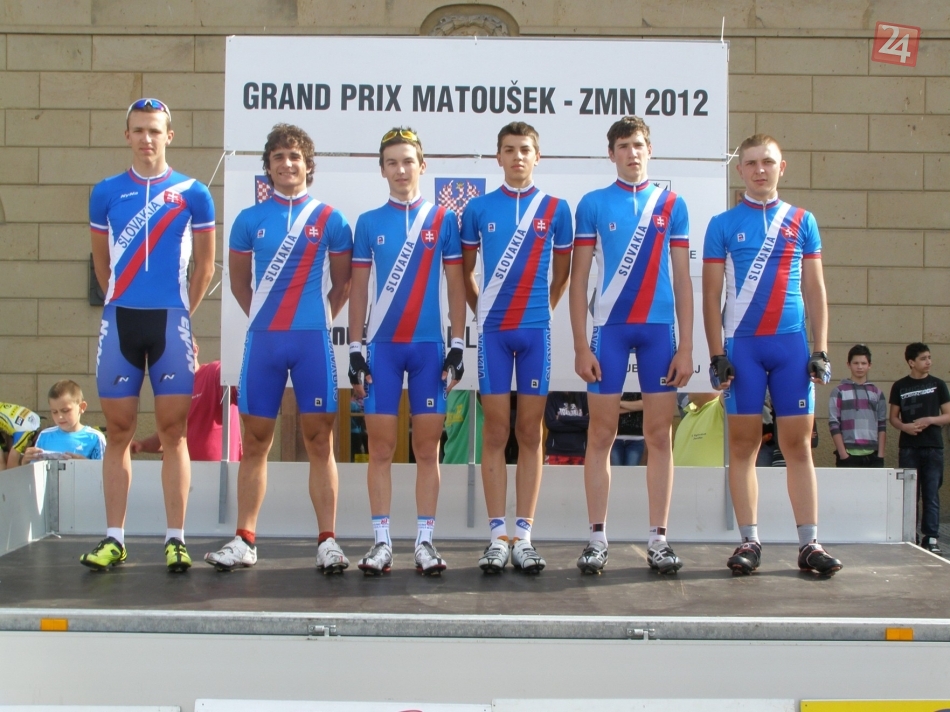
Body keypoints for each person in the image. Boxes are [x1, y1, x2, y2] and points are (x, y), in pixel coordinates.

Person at [205, 123, 352, 574]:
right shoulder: (249, 219)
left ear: (308, 165)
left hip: (311, 341)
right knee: (254, 442)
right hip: (264, 342)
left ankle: (328, 541)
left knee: (320, 440)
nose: (287, 164)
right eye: (278, 158)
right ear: (267, 167)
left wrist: (314, 319)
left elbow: (342, 284)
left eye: (295, 157)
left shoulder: (330, 219)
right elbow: (238, 284)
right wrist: (268, 318)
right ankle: (245, 540)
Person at [702, 133, 842, 576]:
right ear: (739, 170)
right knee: (743, 446)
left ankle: (809, 544)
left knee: (798, 445)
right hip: (742, 349)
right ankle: (749, 541)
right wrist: (716, 354)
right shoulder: (722, 224)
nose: (759, 170)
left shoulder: (802, 220)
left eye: (767, 162)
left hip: (791, 348)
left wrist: (820, 349)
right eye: (751, 163)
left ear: (782, 167)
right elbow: (710, 296)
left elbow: (816, 290)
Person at [86, 98, 215, 572]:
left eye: (155, 131)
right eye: (138, 130)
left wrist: (182, 316)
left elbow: (205, 267)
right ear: (127, 136)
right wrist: (118, 301)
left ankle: (175, 539)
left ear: (169, 136)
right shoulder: (105, 192)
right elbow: (102, 265)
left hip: (170, 321)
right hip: (120, 319)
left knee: (172, 433)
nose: (147, 138)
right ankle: (114, 538)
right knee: (119, 431)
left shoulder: (194, 192)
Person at [570, 116, 693, 576]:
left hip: (659, 330)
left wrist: (687, 347)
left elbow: (682, 279)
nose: (632, 153)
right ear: (611, 154)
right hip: (611, 330)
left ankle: (658, 539)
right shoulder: (593, 203)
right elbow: (579, 280)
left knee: (658, 436)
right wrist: (580, 346)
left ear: (650, 149)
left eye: (638, 144)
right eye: (623, 146)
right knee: (600, 435)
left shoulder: (672, 204)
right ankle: (596, 539)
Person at [348, 127, 466, 576]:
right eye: (392, 162)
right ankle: (381, 543)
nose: (401, 169)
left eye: (408, 161)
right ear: (382, 169)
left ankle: (424, 543)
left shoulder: (443, 220)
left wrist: (457, 344)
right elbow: (359, 290)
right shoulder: (368, 222)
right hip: (383, 348)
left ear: (422, 165)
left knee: (427, 450)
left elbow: (456, 285)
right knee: (380, 449)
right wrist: (355, 347)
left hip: (428, 349)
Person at [461, 121, 573, 574]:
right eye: (509, 150)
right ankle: (496, 537)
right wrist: (484, 311)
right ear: (499, 157)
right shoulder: (478, 208)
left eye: (525, 149)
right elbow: (464, 272)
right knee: (494, 431)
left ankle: (523, 536)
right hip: (493, 333)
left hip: (535, 333)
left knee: (530, 432)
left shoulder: (556, 209)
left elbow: (562, 275)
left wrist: (540, 311)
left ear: (537, 156)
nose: (518, 157)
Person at [131, 340, 243, 462]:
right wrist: (142, 445)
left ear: (195, 350)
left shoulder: (214, 372)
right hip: (177, 470)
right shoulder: (173, 389)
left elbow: (240, 393)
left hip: (217, 471)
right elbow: (169, 437)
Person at [889, 342, 950, 555]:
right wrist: (904, 427)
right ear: (911, 362)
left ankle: (931, 537)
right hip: (909, 447)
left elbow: (948, 415)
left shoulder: (938, 385)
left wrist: (930, 420)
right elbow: (893, 417)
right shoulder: (900, 386)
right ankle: (910, 535)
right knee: (909, 494)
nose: (928, 362)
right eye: (923, 358)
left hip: (933, 447)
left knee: (931, 494)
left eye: (929, 357)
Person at [828, 344, 886, 468]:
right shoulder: (839, 391)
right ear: (848, 364)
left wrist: (880, 455)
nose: (860, 367)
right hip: (848, 453)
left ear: (869, 365)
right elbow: (834, 423)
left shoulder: (877, 393)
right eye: (856, 363)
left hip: (873, 454)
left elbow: (882, 424)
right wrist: (843, 454)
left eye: (863, 363)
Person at [22, 381, 105, 464]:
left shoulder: (95, 437)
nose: (60, 417)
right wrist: (25, 461)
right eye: (54, 412)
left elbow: (105, 470)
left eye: (65, 410)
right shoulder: (45, 435)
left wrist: (84, 464)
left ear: (81, 407)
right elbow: (34, 469)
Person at [544, 391, 589, 465]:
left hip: (580, 452)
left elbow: (588, 422)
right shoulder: (551, 397)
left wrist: (561, 418)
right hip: (555, 451)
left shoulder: (583, 396)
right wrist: (579, 423)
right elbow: (551, 423)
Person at [0, 402, 42, 470]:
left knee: (8, 454)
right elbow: (11, 469)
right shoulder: (24, 435)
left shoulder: (37, 419)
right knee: (1, 462)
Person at [611, 393, 646, 467]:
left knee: (631, 472)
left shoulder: (639, 387)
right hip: (614, 438)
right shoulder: (614, 387)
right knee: (616, 472)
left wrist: (619, 403)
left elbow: (644, 404)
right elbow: (609, 408)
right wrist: (634, 407)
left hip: (636, 438)